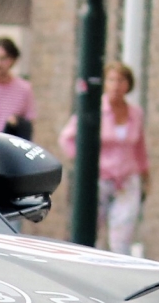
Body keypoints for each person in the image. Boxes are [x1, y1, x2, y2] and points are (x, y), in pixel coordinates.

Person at [58, 61, 147, 254]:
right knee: (91, 229)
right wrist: (84, 163)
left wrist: (145, 174)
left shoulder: (135, 113)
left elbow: (139, 146)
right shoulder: (95, 108)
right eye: (112, 80)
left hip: (126, 179)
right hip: (99, 178)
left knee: (122, 233)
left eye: (121, 80)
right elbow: (67, 138)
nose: (116, 85)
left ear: (128, 84)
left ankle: (119, 270)